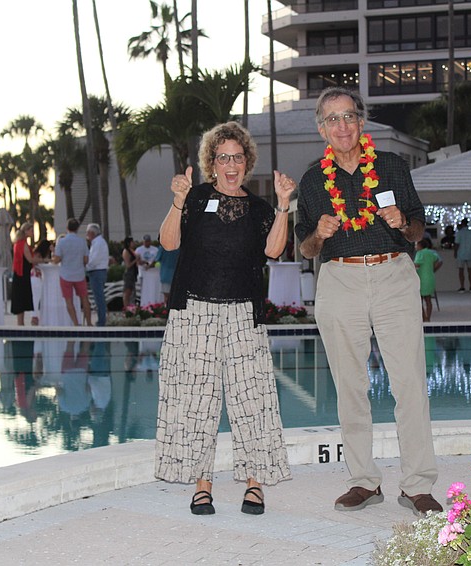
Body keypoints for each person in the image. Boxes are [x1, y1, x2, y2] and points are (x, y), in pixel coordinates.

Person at [294, 86, 442, 516]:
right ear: (322, 128)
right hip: (339, 280)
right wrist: (318, 234)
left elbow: (418, 229)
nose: (343, 125)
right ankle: (364, 481)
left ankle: (417, 484)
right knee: (351, 387)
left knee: (410, 382)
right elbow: (305, 248)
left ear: (361, 122)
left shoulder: (392, 166)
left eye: (350, 116)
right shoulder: (311, 179)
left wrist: (404, 223)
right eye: (333, 119)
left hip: (394, 273)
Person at [156, 121, 295, 516]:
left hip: (243, 313)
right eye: (223, 158)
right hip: (194, 312)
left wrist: (284, 205)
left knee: (253, 399)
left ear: (246, 162)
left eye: (237, 157)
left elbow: (273, 250)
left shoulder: (260, 208)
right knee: (196, 401)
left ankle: (255, 484)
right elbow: (168, 242)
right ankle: (202, 485)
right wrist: (178, 200)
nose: (230, 165)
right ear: (211, 163)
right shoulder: (196, 198)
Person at [52, 218, 92, 326]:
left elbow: (56, 260)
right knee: (85, 299)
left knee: (69, 301)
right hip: (79, 274)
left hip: (65, 275)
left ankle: (76, 323)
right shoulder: (82, 242)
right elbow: (86, 260)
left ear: (67, 228)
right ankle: (89, 323)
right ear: (77, 228)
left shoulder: (62, 242)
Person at [10, 222, 41, 326]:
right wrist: (44, 259)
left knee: (20, 301)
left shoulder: (18, 243)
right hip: (22, 275)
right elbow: (30, 259)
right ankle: (20, 324)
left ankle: (21, 324)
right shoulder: (23, 244)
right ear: (26, 231)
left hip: (20, 274)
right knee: (21, 300)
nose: (33, 233)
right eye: (31, 230)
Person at [85, 223, 109, 327]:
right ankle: (101, 319)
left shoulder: (98, 243)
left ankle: (101, 321)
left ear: (92, 233)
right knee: (98, 297)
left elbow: (94, 260)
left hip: (97, 272)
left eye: (88, 232)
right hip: (97, 271)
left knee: (99, 297)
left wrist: (85, 267)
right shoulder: (98, 242)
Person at [414, 238, 443, 322]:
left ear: (420, 246)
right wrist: (433, 268)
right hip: (430, 277)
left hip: (421, 278)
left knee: (420, 300)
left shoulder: (420, 253)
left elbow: (417, 263)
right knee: (428, 299)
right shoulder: (431, 253)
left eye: (417, 245)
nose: (416, 247)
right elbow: (438, 261)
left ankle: (424, 317)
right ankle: (428, 318)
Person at [30, 239, 52, 326]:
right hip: (36, 278)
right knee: (36, 299)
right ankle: (34, 318)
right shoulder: (38, 255)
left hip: (36, 278)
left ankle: (35, 318)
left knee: (35, 300)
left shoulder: (36, 253)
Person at [136, 234, 162, 306]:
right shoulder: (139, 250)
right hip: (143, 272)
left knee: (153, 288)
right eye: (145, 241)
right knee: (143, 289)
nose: (147, 243)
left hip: (153, 272)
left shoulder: (155, 249)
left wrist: (151, 265)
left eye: (148, 241)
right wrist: (145, 263)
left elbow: (157, 260)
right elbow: (138, 261)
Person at [454, 218, 471, 292]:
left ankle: (462, 286)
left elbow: (457, 243)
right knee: (470, 270)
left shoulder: (459, 233)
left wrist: (455, 252)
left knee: (461, 271)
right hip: (470, 253)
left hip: (461, 253)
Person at [121, 237, 138, 308]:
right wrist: (136, 260)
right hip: (129, 273)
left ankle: (131, 307)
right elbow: (128, 265)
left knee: (131, 291)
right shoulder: (126, 251)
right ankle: (126, 307)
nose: (133, 243)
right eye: (132, 242)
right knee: (127, 291)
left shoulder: (132, 251)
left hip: (133, 273)